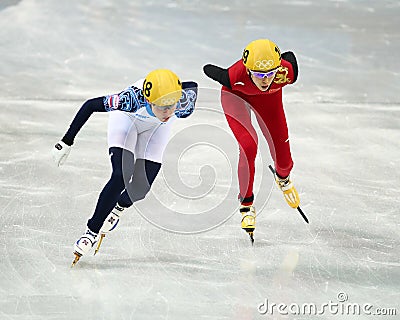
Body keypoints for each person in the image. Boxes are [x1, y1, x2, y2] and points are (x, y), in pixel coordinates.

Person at [52, 69, 198, 265]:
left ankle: (118, 209)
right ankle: (91, 231)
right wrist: (66, 141)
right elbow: (90, 106)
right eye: (163, 107)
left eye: (172, 106)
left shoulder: (183, 101)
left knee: (141, 189)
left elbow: (191, 85)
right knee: (121, 175)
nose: (169, 112)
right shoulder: (129, 100)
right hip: (127, 121)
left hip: (155, 130)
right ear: (148, 101)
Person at [203, 39, 300, 241]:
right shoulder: (233, 76)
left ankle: (283, 177)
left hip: (269, 102)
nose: (264, 80)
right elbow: (210, 70)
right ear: (248, 71)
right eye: (258, 74)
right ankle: (246, 204)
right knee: (249, 145)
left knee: (284, 162)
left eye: (269, 74)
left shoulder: (287, 73)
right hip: (235, 97)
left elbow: (290, 56)